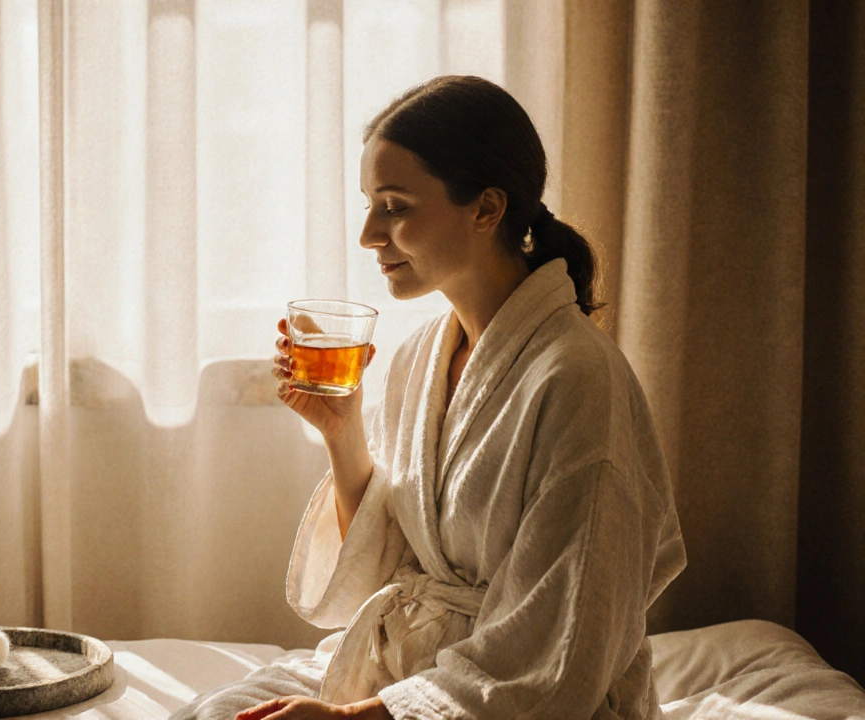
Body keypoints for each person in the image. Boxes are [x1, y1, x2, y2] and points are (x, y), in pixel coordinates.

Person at [171, 75, 687, 720]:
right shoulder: (421, 355)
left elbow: (561, 649)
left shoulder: (578, 380)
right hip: (416, 675)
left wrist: (356, 719)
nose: (368, 234)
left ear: (486, 209)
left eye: (394, 206)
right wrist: (342, 431)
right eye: (369, 204)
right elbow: (394, 564)